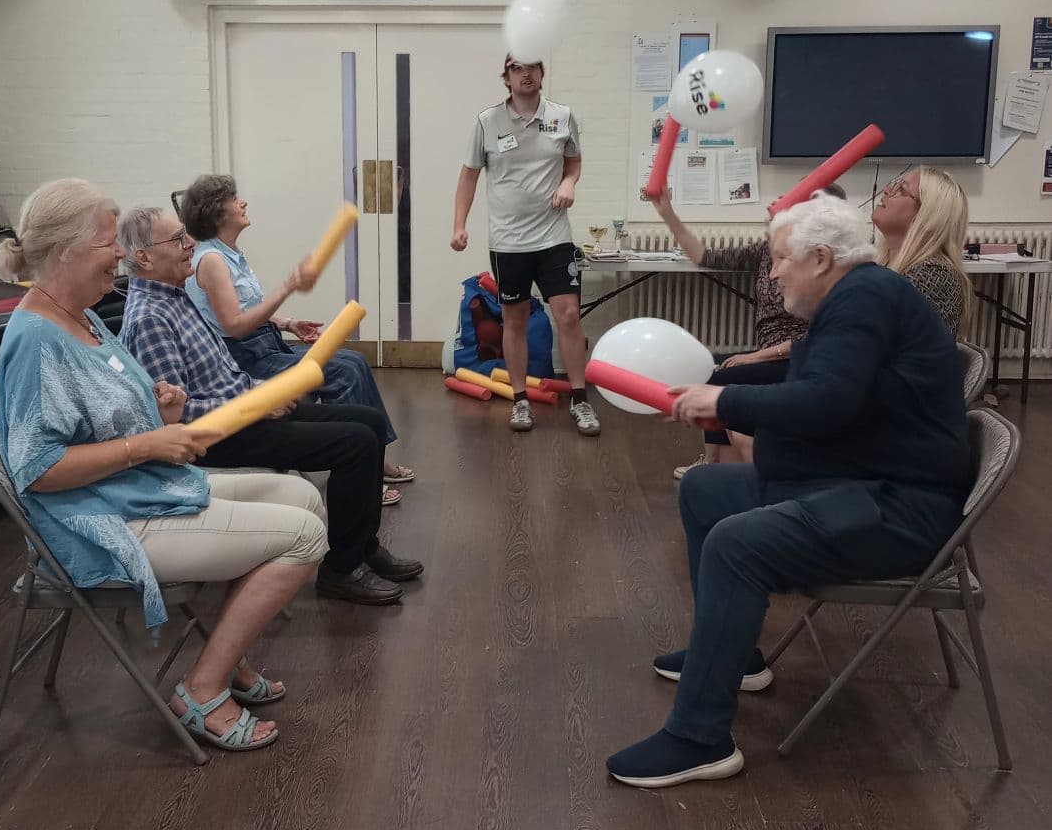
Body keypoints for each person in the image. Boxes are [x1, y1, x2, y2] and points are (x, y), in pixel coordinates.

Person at [606, 193, 970, 789]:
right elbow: (808, 374)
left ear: (821, 258)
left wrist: (720, 399)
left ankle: (698, 738)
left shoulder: (865, 299)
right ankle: (733, 657)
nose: (773, 274)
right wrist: (708, 384)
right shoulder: (860, 296)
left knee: (735, 543)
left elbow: (827, 399)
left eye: (780, 260)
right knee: (705, 489)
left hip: (897, 510)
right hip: (866, 484)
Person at [0, 179, 328, 752]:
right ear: (64, 252)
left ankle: (228, 656)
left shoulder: (84, 316)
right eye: (107, 244)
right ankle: (203, 688)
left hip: (135, 490)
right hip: (98, 525)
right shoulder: (36, 340)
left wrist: (161, 404)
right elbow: (38, 470)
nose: (120, 254)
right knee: (304, 536)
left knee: (304, 499)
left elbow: (111, 403)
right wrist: (145, 446)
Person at [117, 206, 424, 607]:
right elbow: (176, 417)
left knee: (366, 421)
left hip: (245, 413)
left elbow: (222, 380)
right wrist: (257, 404)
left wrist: (265, 392)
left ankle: (364, 547)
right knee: (356, 443)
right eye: (177, 239)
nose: (189, 242)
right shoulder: (150, 318)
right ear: (143, 257)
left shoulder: (174, 297)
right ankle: (341, 570)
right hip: (219, 436)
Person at [177, 173, 412, 505]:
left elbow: (247, 308)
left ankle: (375, 460)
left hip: (264, 343)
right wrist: (288, 286)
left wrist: (289, 323)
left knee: (354, 360)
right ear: (217, 213)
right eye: (234, 200)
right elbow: (236, 325)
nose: (242, 203)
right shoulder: (212, 260)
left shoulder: (228, 253)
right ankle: (366, 474)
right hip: (243, 356)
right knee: (343, 370)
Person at [649, 184, 846, 476]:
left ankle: (720, 466)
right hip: (771, 352)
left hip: (797, 356)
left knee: (723, 377)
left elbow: (817, 338)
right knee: (721, 373)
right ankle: (716, 463)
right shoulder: (768, 250)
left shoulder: (823, 262)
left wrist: (756, 356)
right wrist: (667, 213)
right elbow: (707, 257)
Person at [451, 54, 599, 437]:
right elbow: (469, 176)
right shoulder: (488, 122)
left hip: (554, 236)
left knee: (567, 314)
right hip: (509, 241)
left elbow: (574, 162)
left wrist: (569, 183)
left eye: (533, 66)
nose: (526, 74)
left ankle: (581, 401)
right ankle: (520, 400)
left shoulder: (562, 116)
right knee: (514, 318)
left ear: (542, 73)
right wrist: (459, 225)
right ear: (507, 77)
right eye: (518, 67)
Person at [872, 166, 971, 335]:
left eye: (901, 189)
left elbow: (868, 341)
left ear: (925, 215)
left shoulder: (933, 275)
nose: (887, 190)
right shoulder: (883, 267)